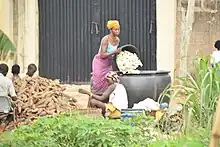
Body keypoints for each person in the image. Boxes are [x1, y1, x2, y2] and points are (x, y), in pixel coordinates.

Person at [91, 20, 121, 95]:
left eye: (118, 29)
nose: (117, 31)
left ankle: (104, 100)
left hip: (108, 63)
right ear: (111, 30)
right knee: (98, 83)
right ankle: (93, 100)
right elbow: (102, 55)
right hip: (100, 62)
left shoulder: (117, 40)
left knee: (108, 81)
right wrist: (114, 52)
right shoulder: (105, 40)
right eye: (115, 29)